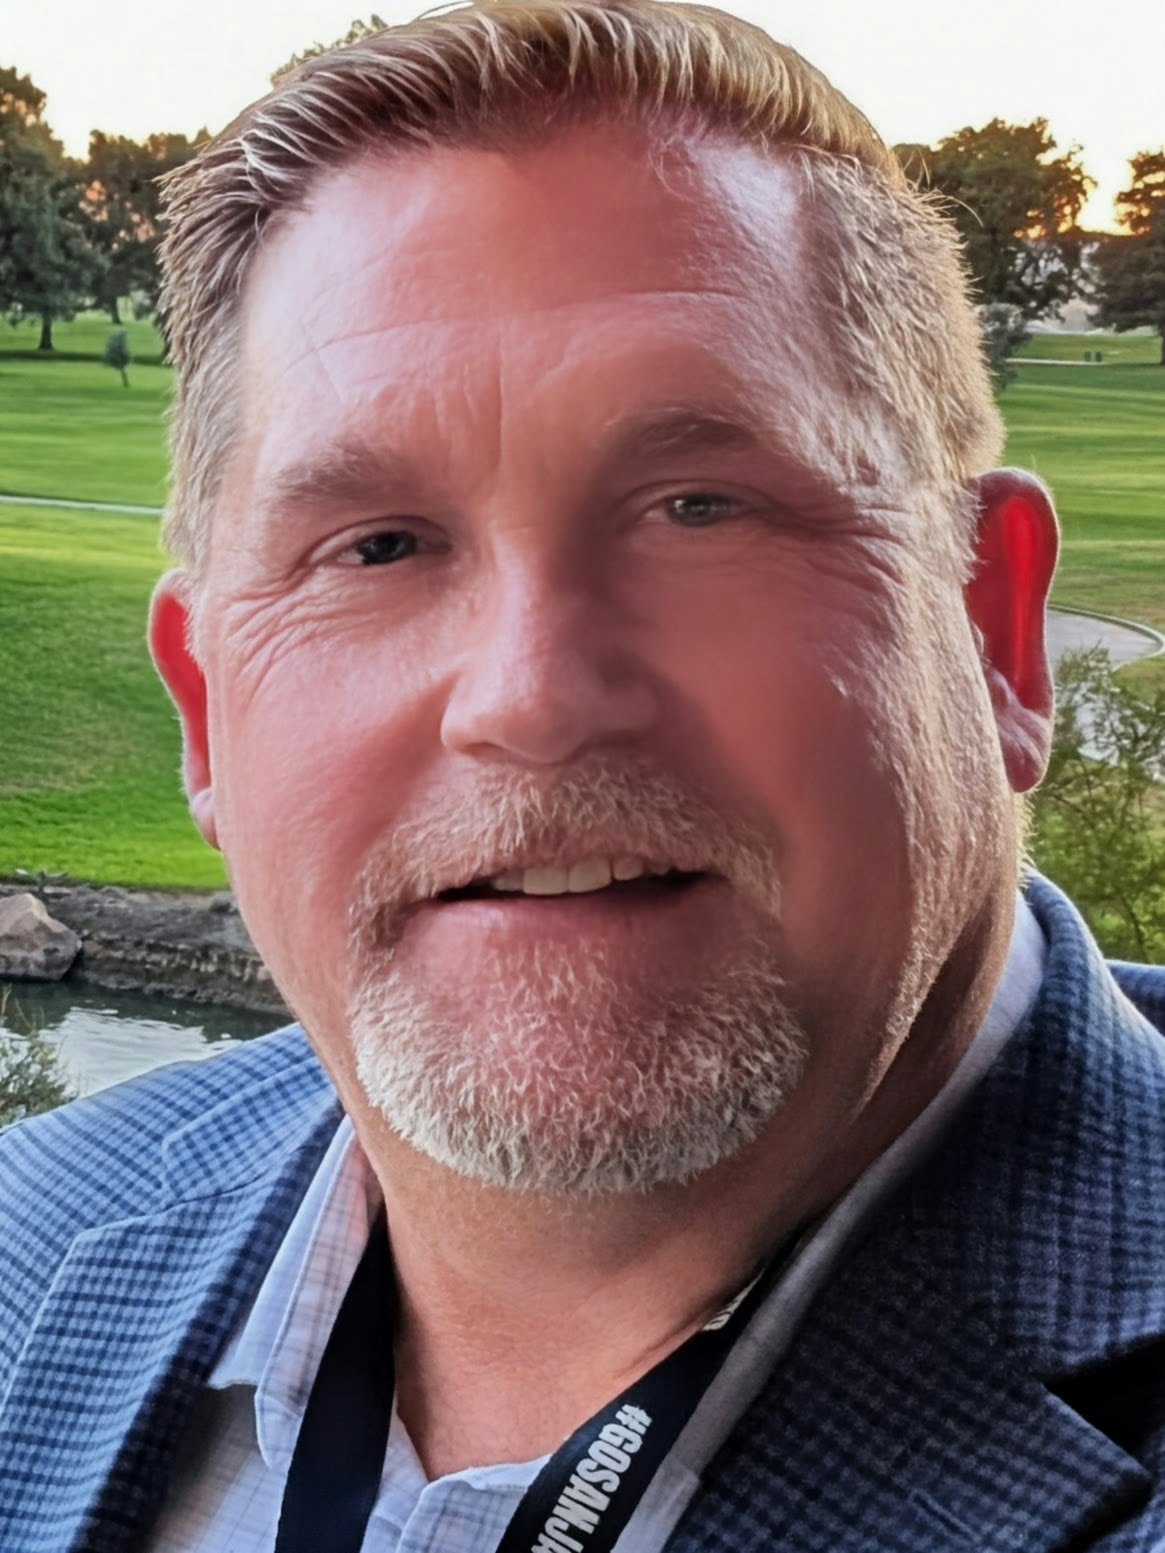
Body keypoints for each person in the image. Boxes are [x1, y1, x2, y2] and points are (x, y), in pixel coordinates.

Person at [2, 1, 1164, 1548]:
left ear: (991, 632)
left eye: (699, 507)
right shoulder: (32, 1231)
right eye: (378, 546)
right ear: (207, 714)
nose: (532, 696)